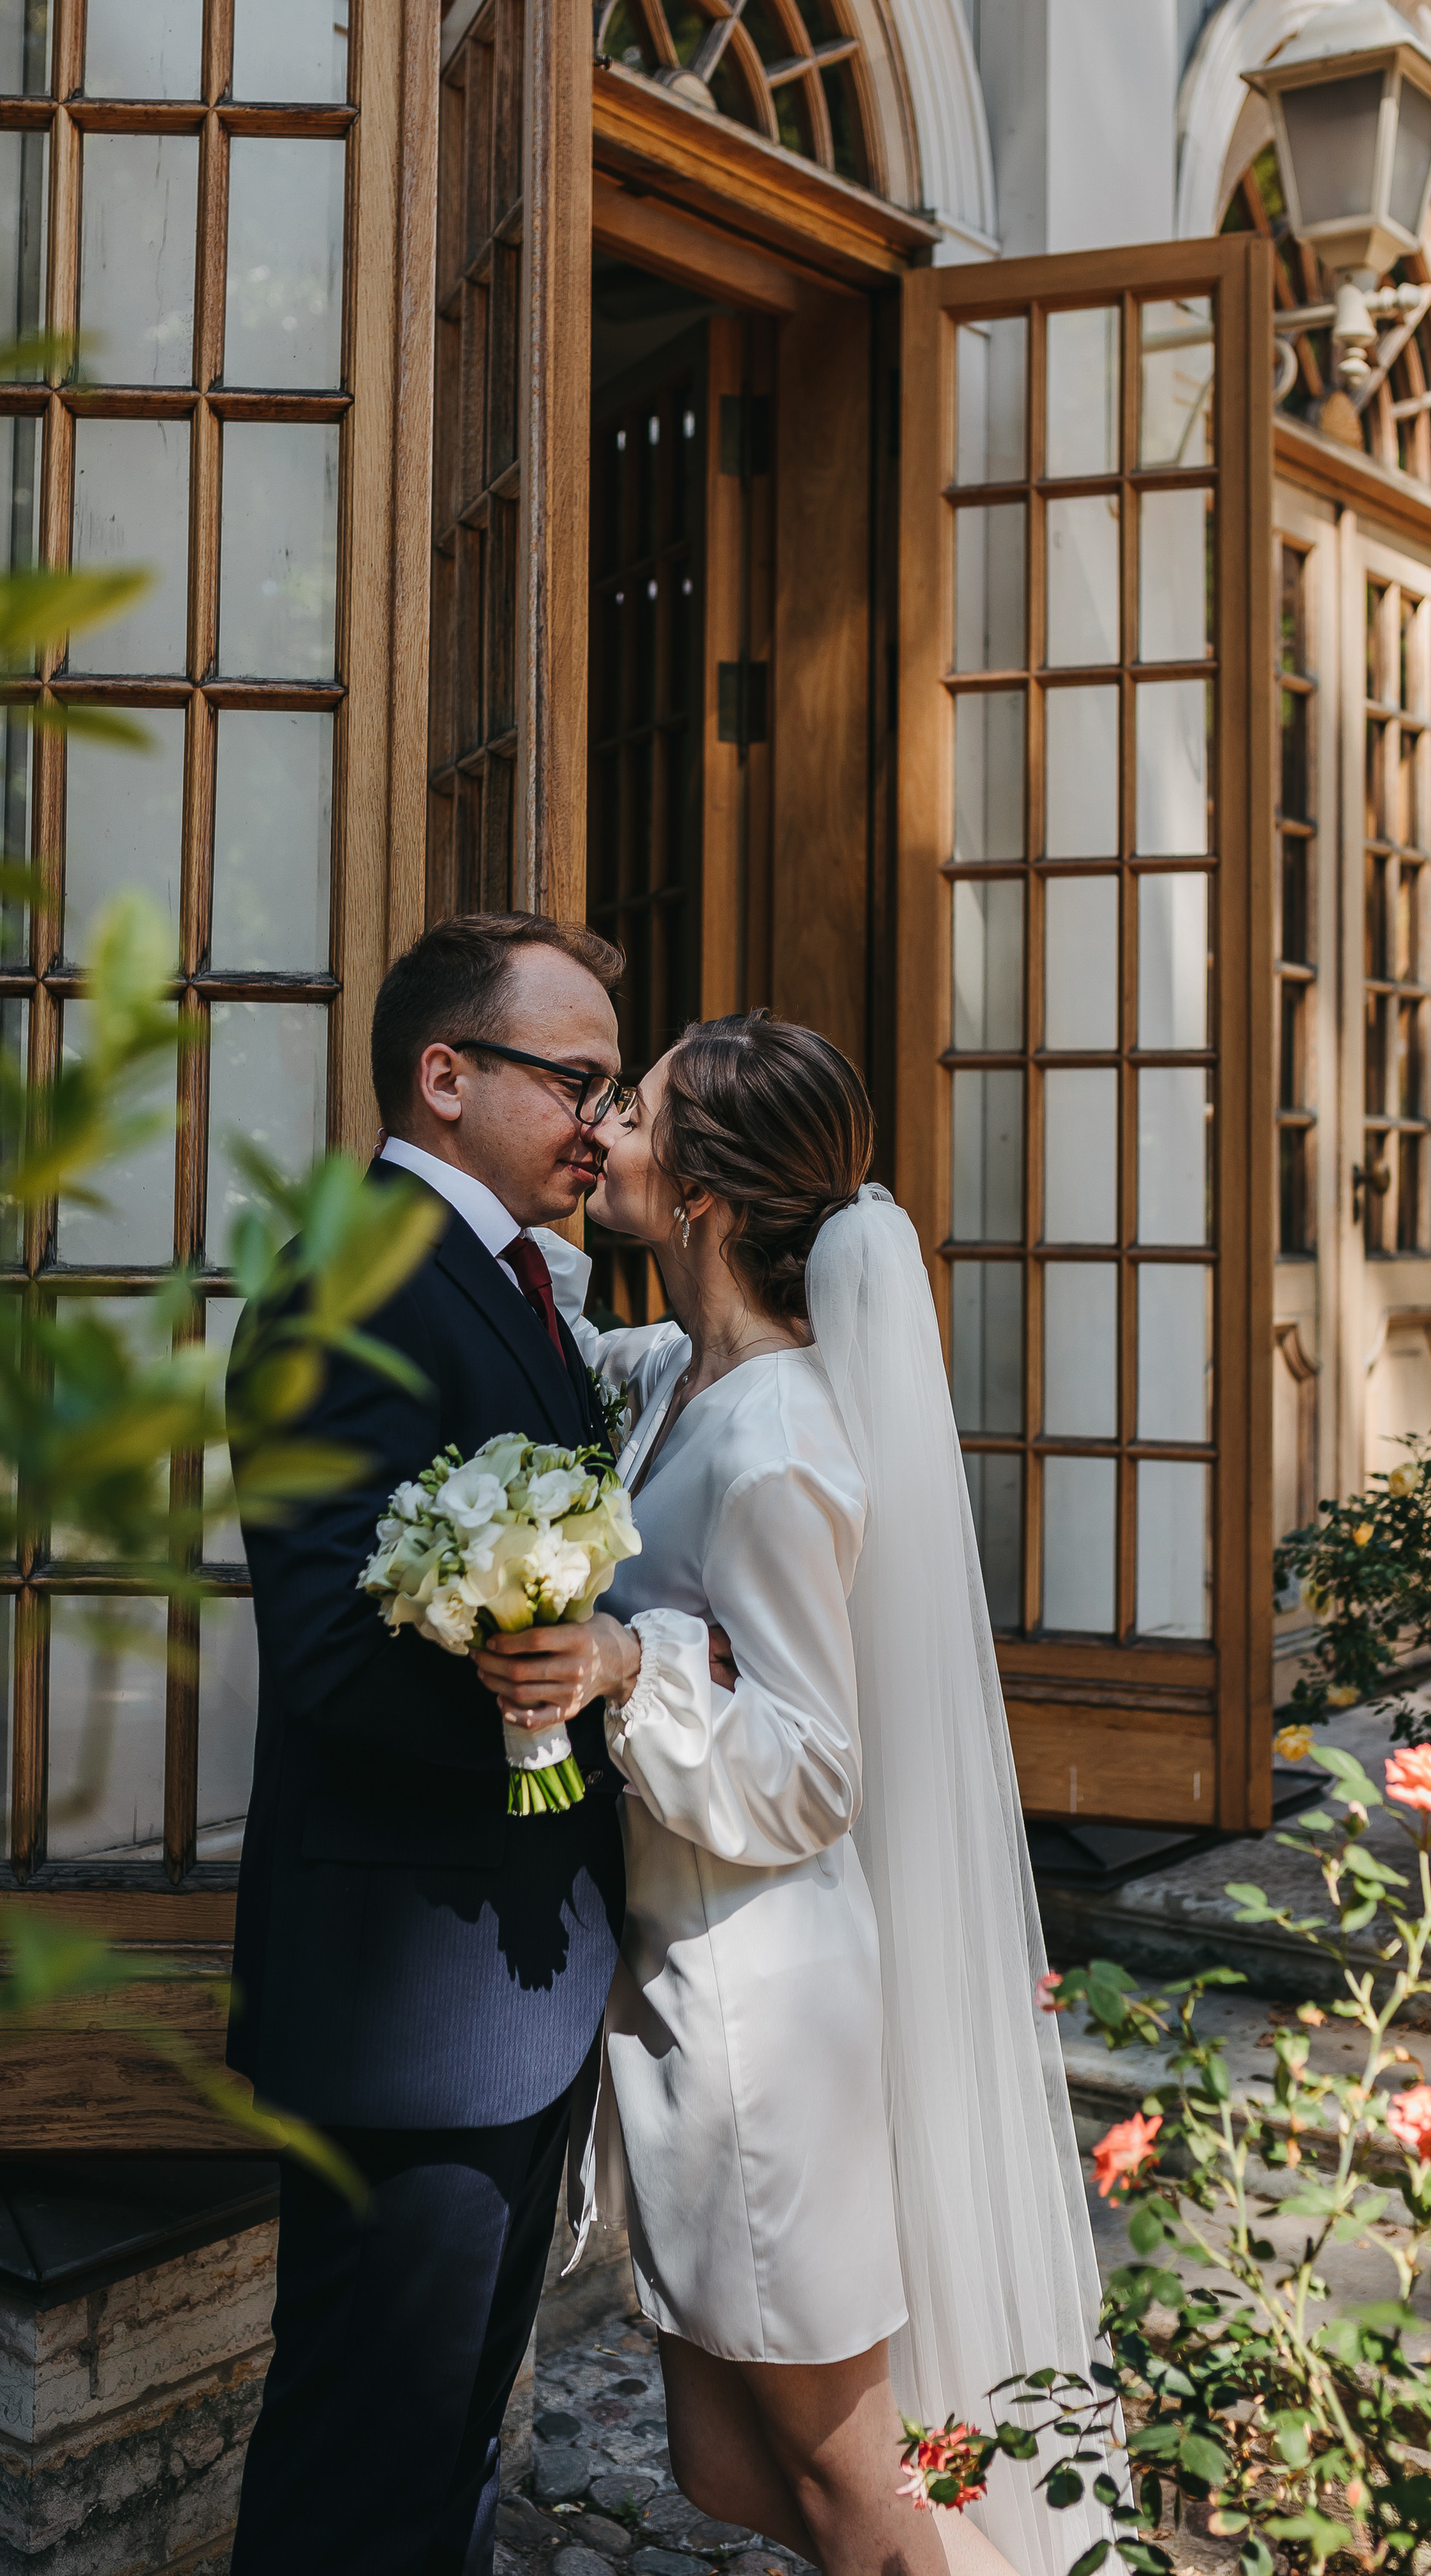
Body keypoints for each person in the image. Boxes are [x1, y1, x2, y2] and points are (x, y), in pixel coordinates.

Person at [476, 1013, 1102, 2576]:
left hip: (767, 2017)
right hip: (686, 1990)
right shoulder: (685, 1377)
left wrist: (630, 1665)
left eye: (633, 1109)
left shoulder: (773, 1445)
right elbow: (590, 1346)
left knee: (847, 2492)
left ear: (697, 1191)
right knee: (723, 2464)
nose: (603, 1127)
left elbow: (818, 1768)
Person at [229, 911, 642, 2576]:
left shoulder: (517, 1286)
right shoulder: (353, 1275)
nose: (601, 1127)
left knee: (454, 2445)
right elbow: (333, 1652)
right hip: (411, 1994)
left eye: (612, 1091)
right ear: (444, 1073)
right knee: (364, 2467)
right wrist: (560, 1714)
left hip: (512, 1987)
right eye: (577, 1081)